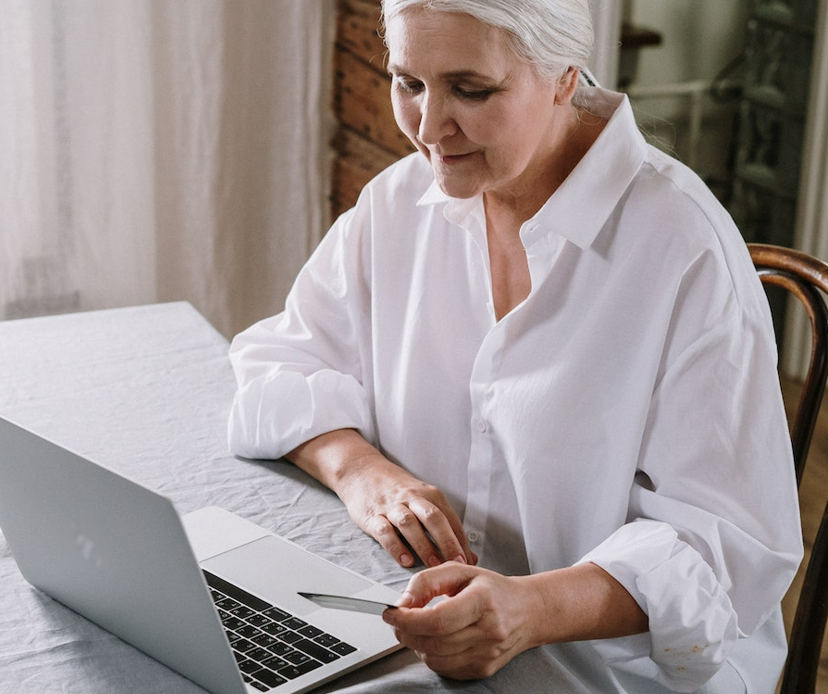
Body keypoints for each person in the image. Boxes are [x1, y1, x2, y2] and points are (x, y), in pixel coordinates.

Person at [227, 0, 803, 691]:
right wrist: (362, 473)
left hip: (613, 673)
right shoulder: (396, 206)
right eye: (408, 82)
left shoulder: (685, 252)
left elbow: (723, 553)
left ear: (564, 76)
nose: (429, 128)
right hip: (423, 640)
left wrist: (530, 610)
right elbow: (278, 364)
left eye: (471, 90)